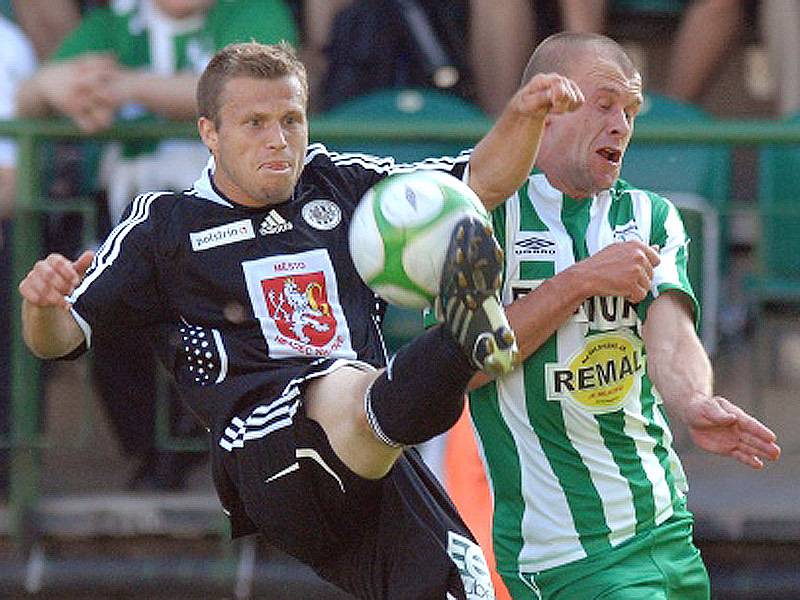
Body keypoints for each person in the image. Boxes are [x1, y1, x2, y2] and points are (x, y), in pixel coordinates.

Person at [18, 41, 583, 598]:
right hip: (269, 455)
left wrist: (523, 115)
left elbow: (476, 183)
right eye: (255, 122)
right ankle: (460, 341)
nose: (278, 140)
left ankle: (457, 342)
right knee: (344, 382)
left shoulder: (337, 181)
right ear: (209, 133)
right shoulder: (166, 228)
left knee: (467, 585)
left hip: (377, 452)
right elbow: (59, 340)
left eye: (292, 119)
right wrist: (43, 306)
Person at [465, 32, 781, 599]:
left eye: (631, 111)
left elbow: (671, 333)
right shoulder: (483, 219)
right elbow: (469, 366)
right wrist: (583, 281)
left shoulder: (652, 216)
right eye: (604, 103)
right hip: (569, 555)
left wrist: (693, 402)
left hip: (666, 526)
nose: (622, 125)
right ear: (548, 108)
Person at [15, 0, 299, 490]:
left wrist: (130, 86)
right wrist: (47, 86)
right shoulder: (111, 26)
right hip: (135, 220)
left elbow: (246, 92)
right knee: (104, 310)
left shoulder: (252, 13)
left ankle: (256, 463)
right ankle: (161, 455)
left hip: (241, 214)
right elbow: (27, 100)